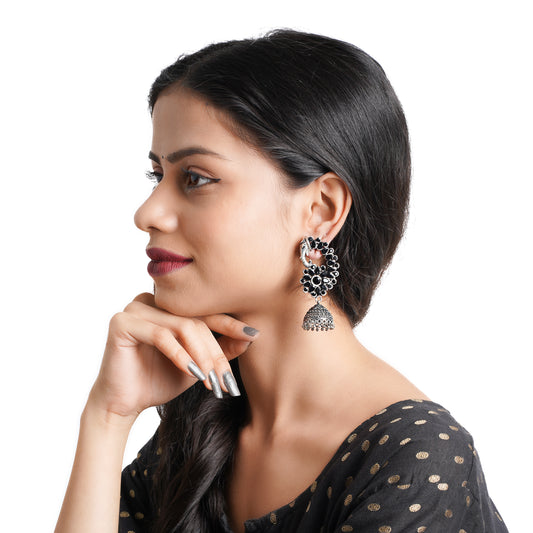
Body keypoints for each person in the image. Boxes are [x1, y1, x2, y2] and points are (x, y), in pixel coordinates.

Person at [55, 29, 507, 533]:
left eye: (196, 178)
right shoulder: (200, 427)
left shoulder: (415, 458)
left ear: (321, 209)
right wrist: (108, 416)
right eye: (156, 176)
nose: (147, 213)